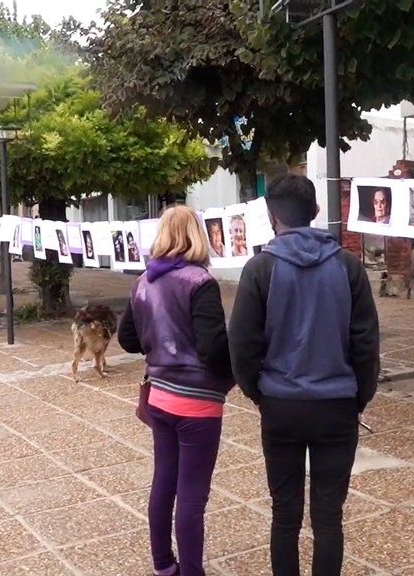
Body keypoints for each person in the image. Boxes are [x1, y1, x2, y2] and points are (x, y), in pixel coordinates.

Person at [228, 174, 380, 576]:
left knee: (285, 514)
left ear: (270, 214)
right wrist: (358, 397)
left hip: (281, 405)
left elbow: (242, 345)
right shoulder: (348, 266)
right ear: (316, 213)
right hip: (337, 406)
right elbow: (366, 344)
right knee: (328, 515)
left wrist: (259, 393)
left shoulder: (259, 268)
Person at [117, 205, 233, 576]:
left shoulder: (143, 282)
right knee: (193, 495)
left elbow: (127, 339)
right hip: (197, 403)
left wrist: (158, 343)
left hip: (159, 399)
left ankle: (163, 564)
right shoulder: (200, 282)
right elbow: (214, 349)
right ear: (196, 235)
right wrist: (236, 374)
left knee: (164, 481)